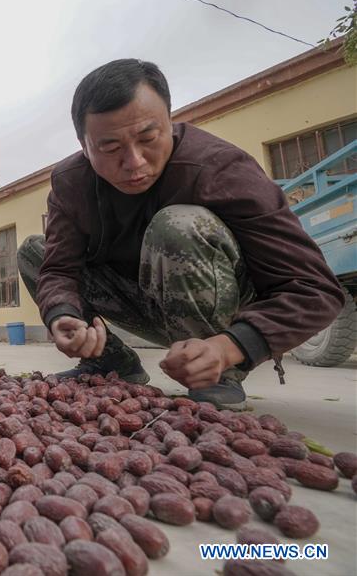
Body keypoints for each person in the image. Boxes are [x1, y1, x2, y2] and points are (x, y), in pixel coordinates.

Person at [18, 59, 345, 409]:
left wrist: (231, 345)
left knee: (177, 224)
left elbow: (315, 290)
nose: (135, 162)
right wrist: (63, 315)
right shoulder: (71, 183)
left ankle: (214, 371)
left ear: (170, 123)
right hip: (141, 303)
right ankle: (111, 361)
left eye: (148, 137)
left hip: (223, 316)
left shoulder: (220, 168)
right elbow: (59, 270)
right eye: (110, 148)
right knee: (34, 251)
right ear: (84, 146)